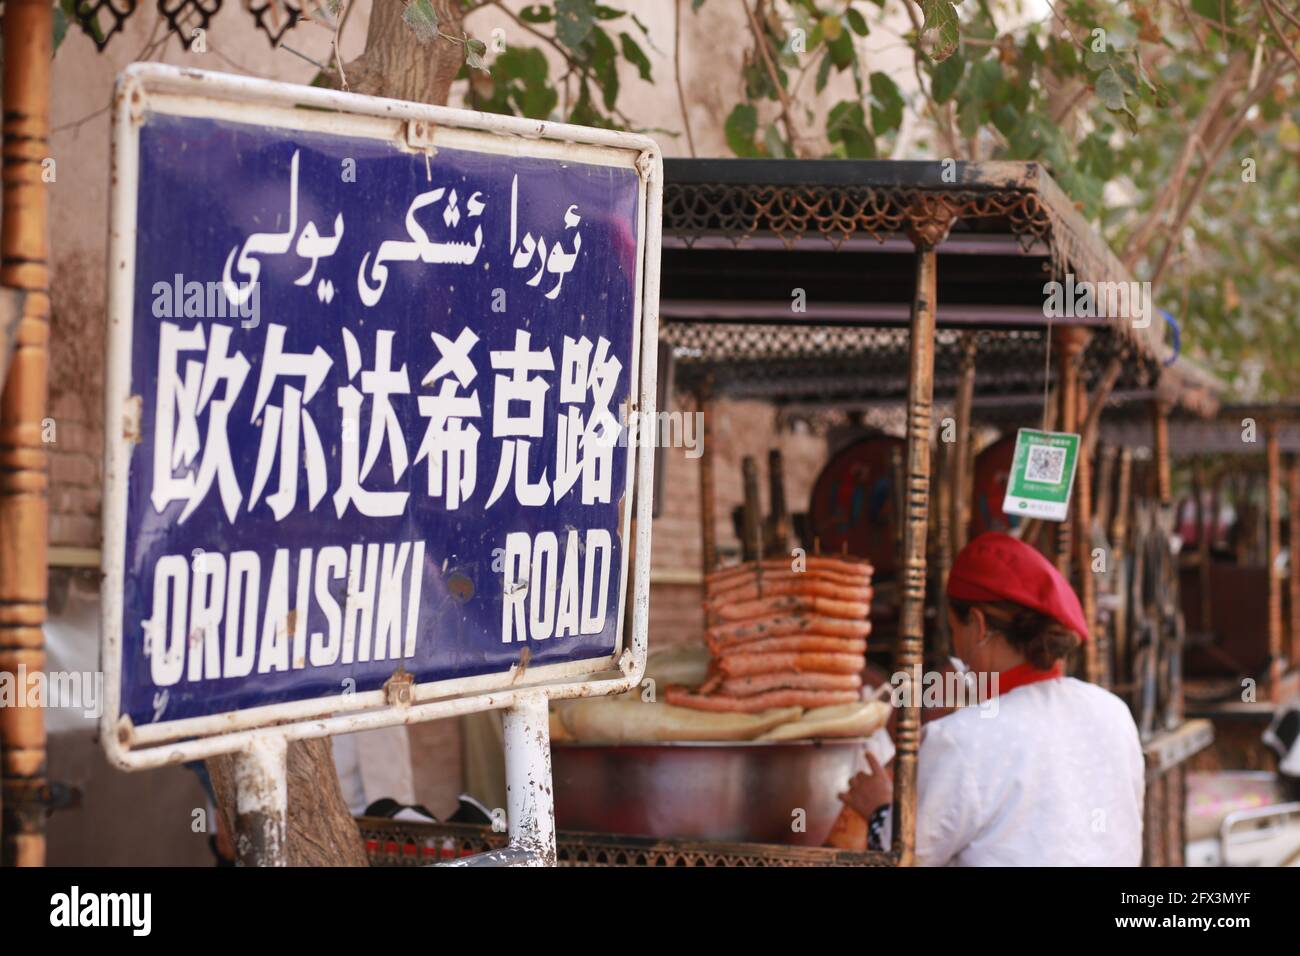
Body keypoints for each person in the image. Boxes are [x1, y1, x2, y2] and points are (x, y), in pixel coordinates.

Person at [840, 532, 1145, 866]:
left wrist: (881, 808)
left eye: (956, 630)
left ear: (979, 626)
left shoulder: (962, 738)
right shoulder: (1113, 711)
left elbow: (904, 857)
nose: (957, 648)